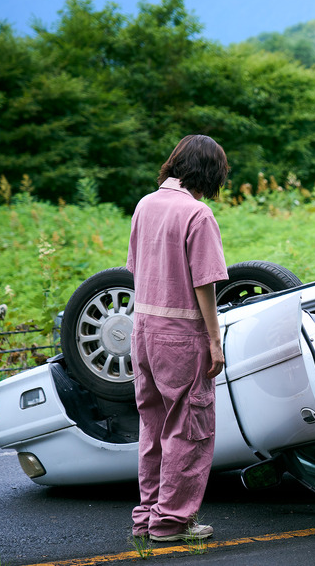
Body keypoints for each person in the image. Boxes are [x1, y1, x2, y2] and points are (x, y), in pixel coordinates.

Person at [127, 134, 230, 543]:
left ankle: (147, 516)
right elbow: (205, 282)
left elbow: (135, 269)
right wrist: (214, 340)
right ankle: (171, 521)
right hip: (181, 334)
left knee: (152, 428)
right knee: (188, 429)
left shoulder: (145, 204)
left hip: (143, 330)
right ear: (209, 174)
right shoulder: (197, 213)